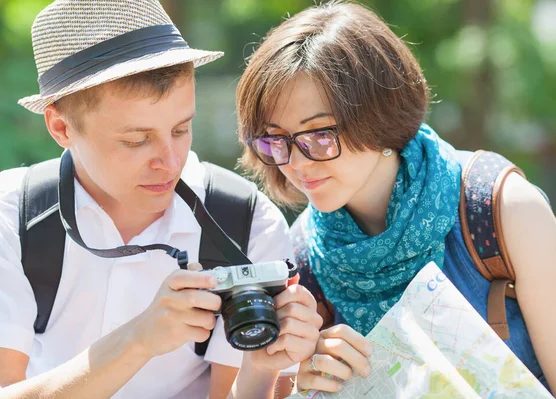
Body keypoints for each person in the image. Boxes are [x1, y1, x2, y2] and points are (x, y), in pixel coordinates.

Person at [0, 1, 323, 398]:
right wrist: (139, 339)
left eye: (181, 130)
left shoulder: (245, 221)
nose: (169, 162)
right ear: (61, 127)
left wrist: (261, 370)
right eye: (136, 140)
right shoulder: (4, 217)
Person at [235, 0, 556, 394]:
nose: (297, 162)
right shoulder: (302, 259)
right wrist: (304, 384)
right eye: (276, 140)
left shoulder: (499, 210)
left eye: (320, 135)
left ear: (380, 116)